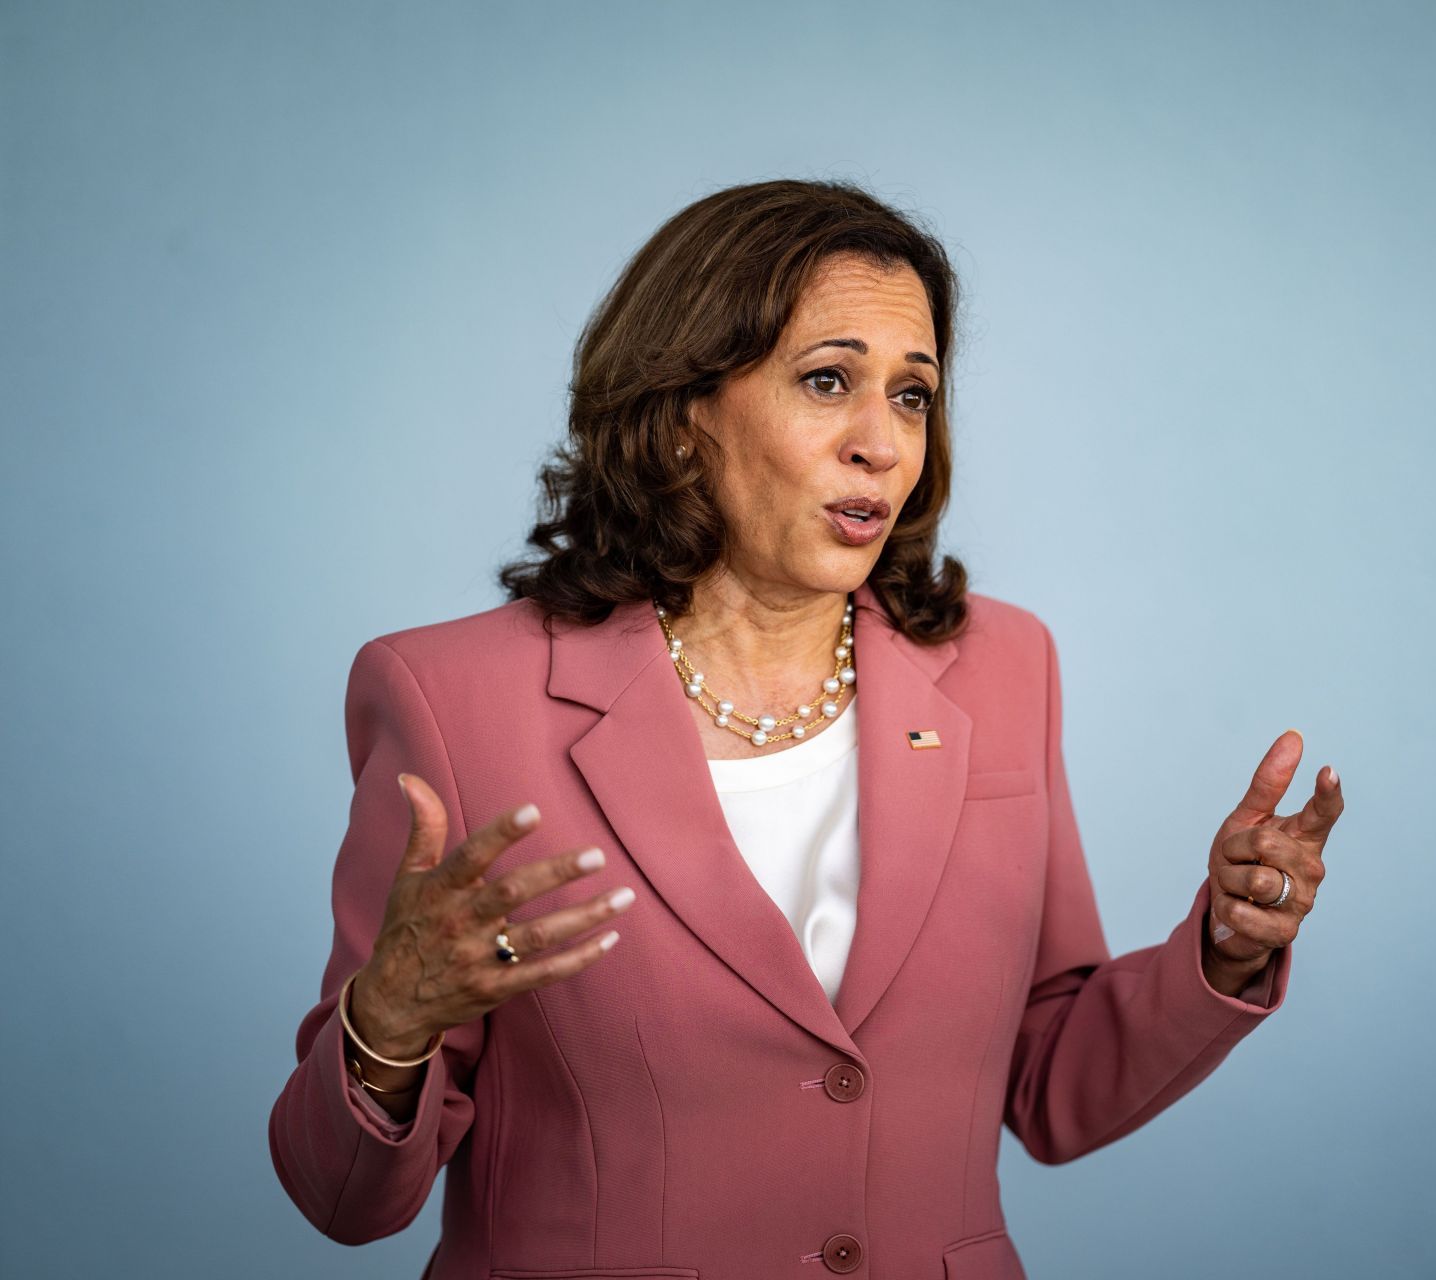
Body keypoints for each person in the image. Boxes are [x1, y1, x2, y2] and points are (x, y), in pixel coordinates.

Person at [267, 177, 1344, 1280]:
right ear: (684, 411)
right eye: (828, 381)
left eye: (913, 394)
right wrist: (387, 1018)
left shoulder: (1005, 668)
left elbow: (1051, 1084)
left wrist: (1224, 944)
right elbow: (343, 1195)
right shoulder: (454, 698)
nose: (880, 442)